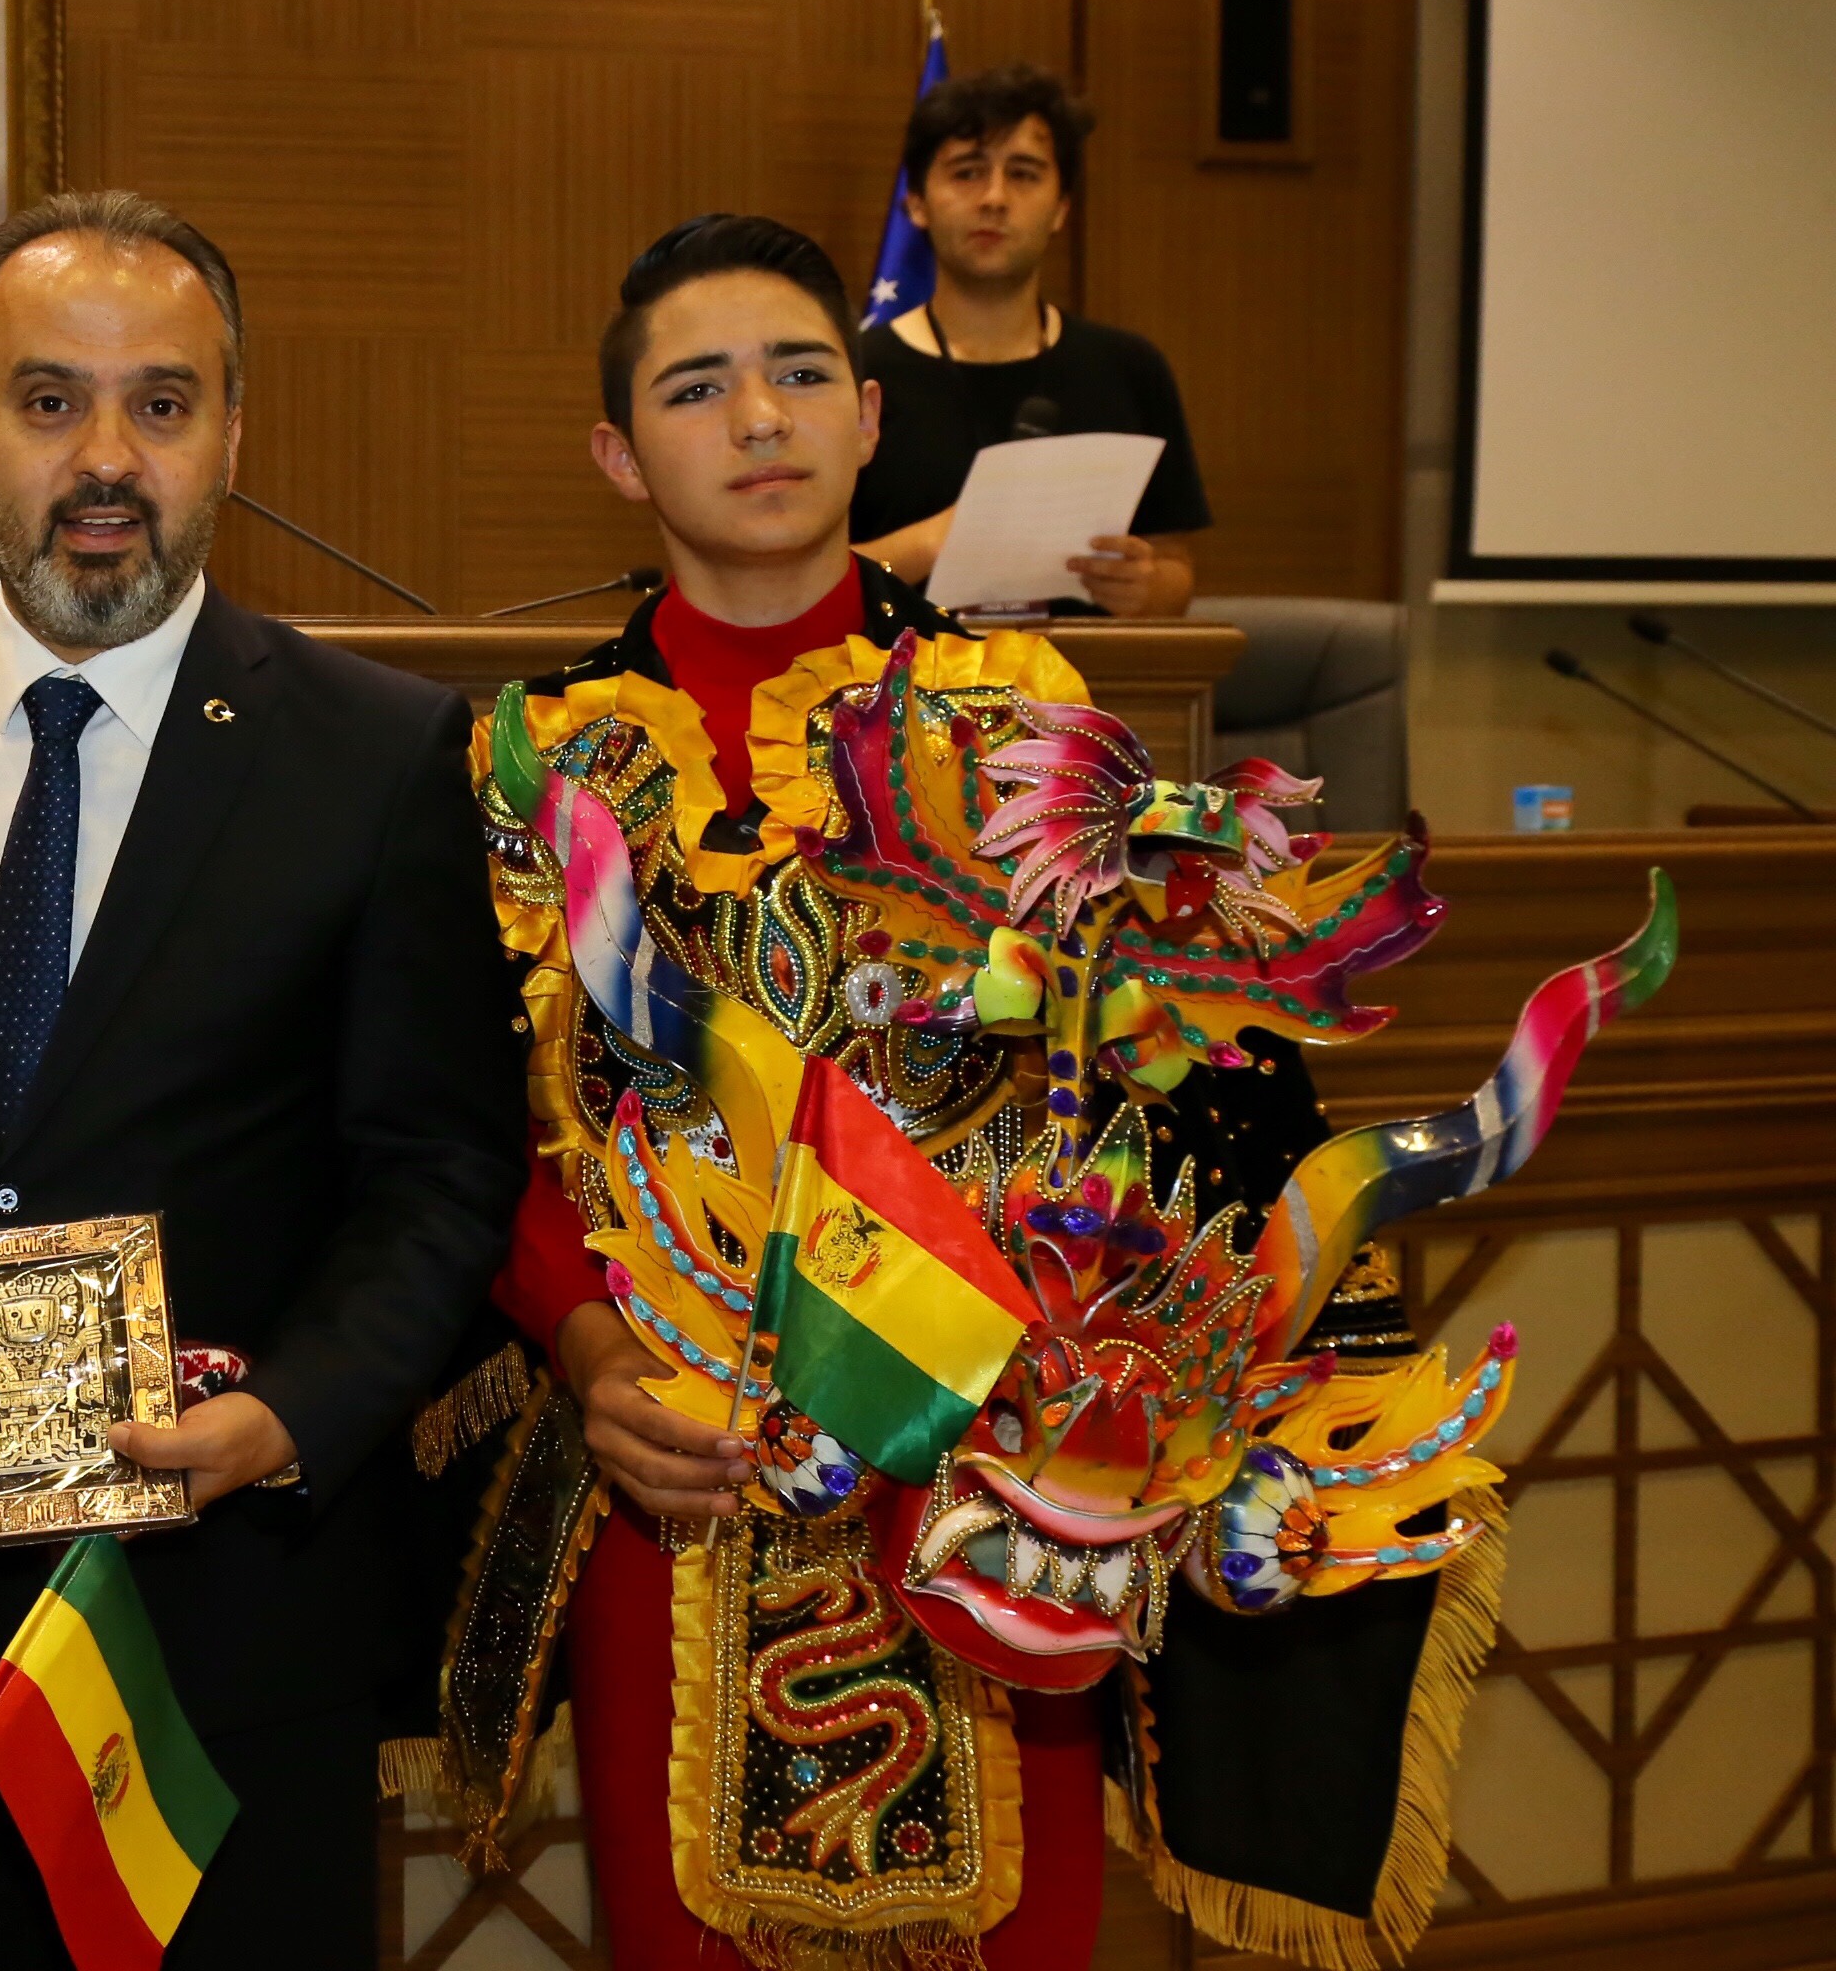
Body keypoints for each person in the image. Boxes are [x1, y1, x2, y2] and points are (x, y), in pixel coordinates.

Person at [430, 215, 1480, 1970]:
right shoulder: (536, 757)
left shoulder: (1023, 716)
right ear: (619, 453)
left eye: (799, 373)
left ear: (867, 421)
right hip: (675, 1469)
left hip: (1000, 1478)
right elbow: (472, 1123)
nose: (756, 416)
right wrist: (592, 1355)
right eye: (696, 387)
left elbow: (1172, 1098)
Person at [0, 190, 524, 1967]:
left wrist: (292, 1410)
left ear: (232, 433)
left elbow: (441, 1168)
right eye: (49, 399)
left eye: (162, 402)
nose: (106, 459)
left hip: (229, 1610)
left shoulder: (376, 755)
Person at [848, 64, 1208, 617]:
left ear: (1061, 208)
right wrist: (931, 543)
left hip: (1084, 669)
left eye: (1023, 173)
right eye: (967, 172)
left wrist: (1145, 586)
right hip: (905, 670)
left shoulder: (1130, 368)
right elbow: (808, 586)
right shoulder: (854, 374)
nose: (994, 197)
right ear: (916, 202)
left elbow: (1175, 571)